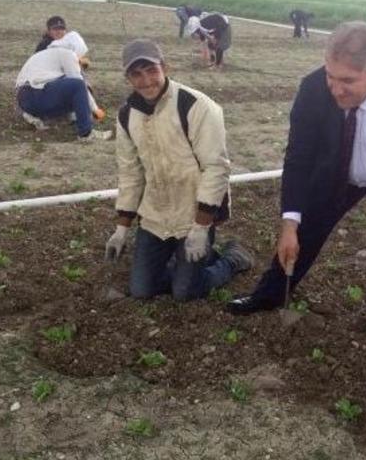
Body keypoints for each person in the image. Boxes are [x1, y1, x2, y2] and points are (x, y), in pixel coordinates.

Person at [226, 22, 366, 330]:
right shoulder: (313, 88)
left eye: (347, 80)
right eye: (331, 76)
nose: (336, 88)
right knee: (300, 235)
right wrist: (290, 222)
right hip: (338, 173)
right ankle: (269, 296)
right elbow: (299, 158)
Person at [104, 39, 254, 301]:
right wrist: (122, 229)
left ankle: (231, 260)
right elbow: (130, 173)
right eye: (136, 74)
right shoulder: (127, 115)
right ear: (128, 78)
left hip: (193, 215)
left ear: (165, 67)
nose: (146, 80)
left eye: (151, 70)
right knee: (141, 290)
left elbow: (216, 168)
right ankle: (194, 260)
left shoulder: (196, 106)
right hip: (155, 215)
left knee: (185, 292)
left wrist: (200, 228)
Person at [14, 42, 112, 141]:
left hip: (24, 99)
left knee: (70, 91)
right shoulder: (68, 54)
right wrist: (95, 109)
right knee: (77, 85)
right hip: (36, 93)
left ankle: (34, 117)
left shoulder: (46, 56)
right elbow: (79, 83)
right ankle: (86, 134)